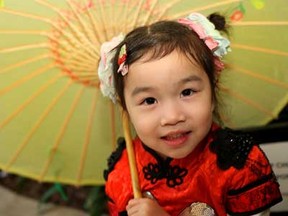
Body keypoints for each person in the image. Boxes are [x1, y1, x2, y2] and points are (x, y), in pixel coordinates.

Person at [97, 12, 282, 216]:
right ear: (126, 109)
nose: (172, 117)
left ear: (213, 90)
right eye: (149, 100)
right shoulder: (123, 173)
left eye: (187, 92)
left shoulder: (237, 165)